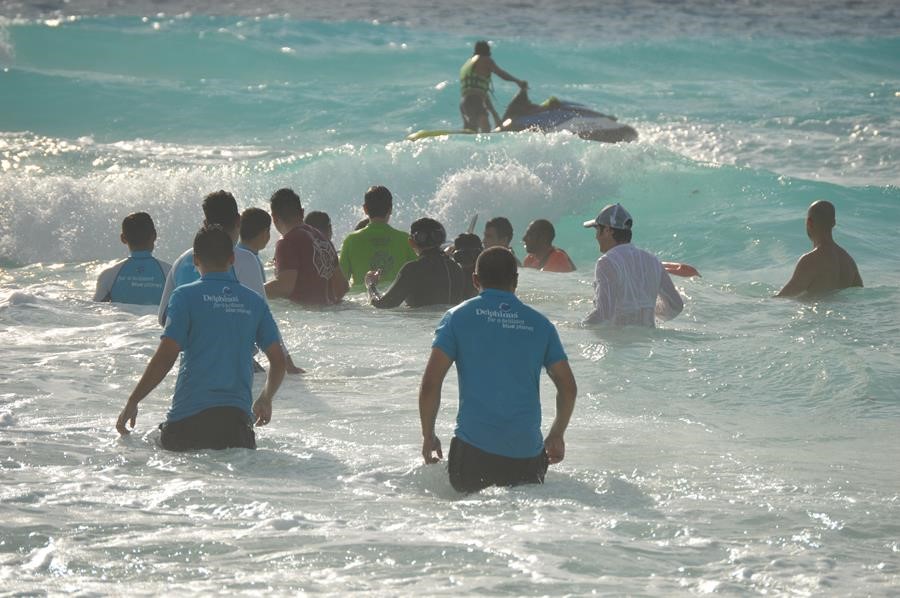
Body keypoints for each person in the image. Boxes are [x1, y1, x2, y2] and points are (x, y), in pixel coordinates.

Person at [418, 247, 577, 493]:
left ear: (475, 280)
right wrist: (556, 434)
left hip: (472, 454)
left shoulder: (457, 318)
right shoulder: (541, 325)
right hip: (526, 457)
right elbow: (567, 387)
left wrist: (428, 435)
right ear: (516, 281)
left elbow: (431, 382)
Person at [116, 225, 286, 451]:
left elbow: (166, 356)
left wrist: (133, 400)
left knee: (143, 447)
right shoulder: (254, 301)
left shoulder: (185, 296)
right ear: (232, 258)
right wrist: (265, 398)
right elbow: (278, 360)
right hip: (236, 426)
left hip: (187, 422)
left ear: (196, 260)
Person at [157, 191, 265, 327]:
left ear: (206, 223)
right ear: (238, 220)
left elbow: (163, 318)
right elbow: (261, 318)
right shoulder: (245, 259)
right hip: (231, 346)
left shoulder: (182, 261)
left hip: (187, 346)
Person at [582, 203, 684, 326]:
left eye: (598, 230)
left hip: (618, 341)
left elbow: (604, 314)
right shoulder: (653, 261)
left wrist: (576, 329)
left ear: (608, 230)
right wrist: (647, 308)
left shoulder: (606, 262)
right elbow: (676, 306)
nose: (596, 236)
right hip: (647, 342)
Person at [238, 207, 304, 375]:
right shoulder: (250, 260)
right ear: (265, 233)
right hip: (237, 353)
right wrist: (285, 361)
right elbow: (262, 314)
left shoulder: (232, 254)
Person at [265, 188, 348, 306]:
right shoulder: (323, 240)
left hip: (307, 317)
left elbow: (284, 287)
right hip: (330, 314)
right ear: (302, 212)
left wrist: (253, 291)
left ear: (274, 217)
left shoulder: (287, 242)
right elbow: (342, 288)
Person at [365, 218, 465, 309]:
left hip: (420, 326)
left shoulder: (412, 269)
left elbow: (383, 305)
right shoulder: (456, 268)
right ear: (441, 239)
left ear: (411, 242)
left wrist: (371, 285)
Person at [776, 200, 863, 297]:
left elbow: (782, 298)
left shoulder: (810, 261)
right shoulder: (849, 262)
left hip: (819, 311)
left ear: (809, 222)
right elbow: (860, 296)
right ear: (834, 222)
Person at [339, 186, 417, 290]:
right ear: (390, 209)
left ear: (365, 209)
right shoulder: (405, 239)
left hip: (360, 301)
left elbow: (340, 284)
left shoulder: (351, 240)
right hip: (394, 299)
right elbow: (418, 275)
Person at [94, 212, 171, 305]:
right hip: (152, 319)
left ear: (123, 238)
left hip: (123, 319)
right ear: (154, 235)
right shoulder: (170, 273)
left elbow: (96, 311)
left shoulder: (108, 275)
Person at [459, 40, 528, 132]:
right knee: (486, 131)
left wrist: (495, 114)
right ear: (488, 51)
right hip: (475, 101)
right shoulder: (485, 60)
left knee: (471, 132)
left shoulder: (468, 64)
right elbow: (501, 73)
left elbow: (481, 94)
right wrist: (517, 81)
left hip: (464, 103)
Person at [450, 233, 483, 300]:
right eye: (461, 256)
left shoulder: (488, 277)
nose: (467, 261)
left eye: (471, 255)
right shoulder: (451, 274)